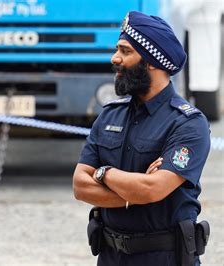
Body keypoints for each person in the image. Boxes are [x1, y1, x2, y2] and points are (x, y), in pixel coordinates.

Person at [73, 11, 211, 266]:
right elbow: (80, 186)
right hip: (110, 257)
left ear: (151, 61)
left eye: (125, 51)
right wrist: (131, 195)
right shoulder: (110, 115)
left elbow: (153, 188)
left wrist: (103, 173)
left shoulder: (188, 123)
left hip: (164, 259)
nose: (115, 58)